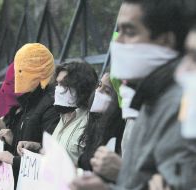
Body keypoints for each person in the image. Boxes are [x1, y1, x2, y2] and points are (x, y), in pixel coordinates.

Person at [70, 0, 196, 189]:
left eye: (129, 32)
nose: (117, 42)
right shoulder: (149, 98)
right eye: (118, 30)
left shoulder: (181, 104)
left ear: (166, 40)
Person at [0, 43, 60, 188]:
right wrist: (13, 140)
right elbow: (28, 144)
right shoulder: (28, 101)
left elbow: (50, 155)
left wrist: (14, 160)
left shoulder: (51, 103)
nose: (18, 77)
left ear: (39, 71)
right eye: (17, 70)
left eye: (23, 70)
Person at [17, 61, 98, 166]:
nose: (58, 89)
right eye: (58, 83)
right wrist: (37, 146)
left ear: (81, 87)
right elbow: (61, 151)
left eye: (64, 84)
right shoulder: (63, 116)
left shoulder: (91, 123)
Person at [77, 73, 125, 172]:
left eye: (106, 91)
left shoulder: (120, 136)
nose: (98, 91)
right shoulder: (94, 123)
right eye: (99, 85)